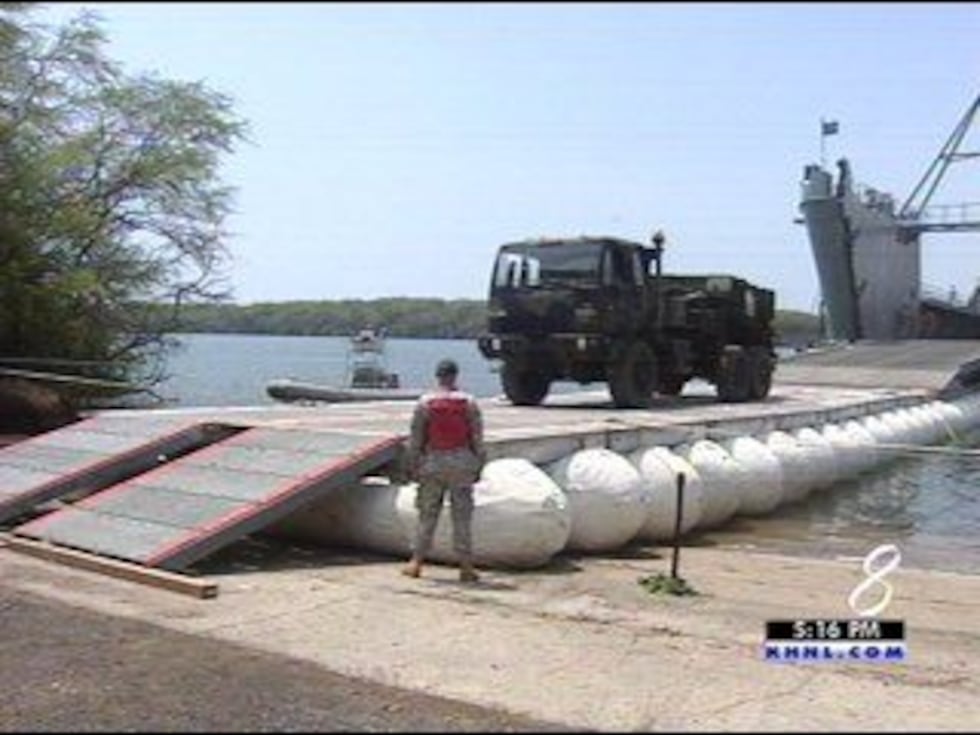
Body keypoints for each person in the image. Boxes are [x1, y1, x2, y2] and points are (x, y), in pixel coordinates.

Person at [402, 358, 486, 583]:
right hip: (462, 463)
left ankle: (417, 562)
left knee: (427, 515)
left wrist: (412, 466)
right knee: (462, 517)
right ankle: (466, 566)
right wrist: (479, 465)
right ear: (455, 376)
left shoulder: (425, 403)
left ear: (437, 376)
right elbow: (477, 438)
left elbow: (416, 440)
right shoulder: (469, 402)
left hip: (433, 464)